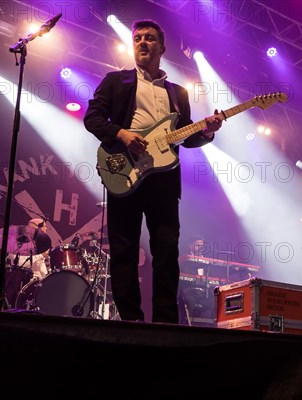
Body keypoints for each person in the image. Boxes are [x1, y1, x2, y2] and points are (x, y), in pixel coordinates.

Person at [84, 19, 222, 323]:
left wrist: (208, 132)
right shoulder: (115, 81)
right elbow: (92, 118)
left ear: (162, 47)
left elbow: (185, 138)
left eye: (149, 38)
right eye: (137, 38)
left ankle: (165, 323)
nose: (142, 43)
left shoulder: (178, 93)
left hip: (164, 180)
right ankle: (131, 320)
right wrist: (121, 134)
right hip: (124, 171)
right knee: (124, 249)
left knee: (166, 252)